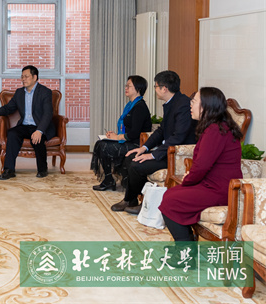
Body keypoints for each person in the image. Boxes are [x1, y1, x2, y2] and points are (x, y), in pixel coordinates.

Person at [159, 87, 243, 241]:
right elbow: (204, 163)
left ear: (206, 106)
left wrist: (188, 179)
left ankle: (186, 250)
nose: (190, 105)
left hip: (219, 189)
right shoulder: (216, 127)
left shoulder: (215, 130)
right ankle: (187, 243)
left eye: (194, 101)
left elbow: (202, 166)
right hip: (212, 185)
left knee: (170, 201)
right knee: (170, 195)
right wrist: (190, 177)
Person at [111, 70, 196, 213]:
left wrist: (152, 155)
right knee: (131, 157)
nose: (155, 90)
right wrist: (144, 148)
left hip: (176, 156)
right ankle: (131, 199)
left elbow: (178, 137)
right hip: (167, 151)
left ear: (164, 88)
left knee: (136, 165)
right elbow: (161, 131)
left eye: (156, 86)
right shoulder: (172, 102)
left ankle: (146, 203)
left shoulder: (182, 105)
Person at [0, 65, 55, 180]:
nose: (23, 79)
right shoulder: (19, 93)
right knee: (12, 134)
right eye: (22, 76)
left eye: (26, 76)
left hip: (39, 125)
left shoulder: (45, 92)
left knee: (37, 138)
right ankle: (9, 170)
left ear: (35, 77)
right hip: (24, 126)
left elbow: (47, 114)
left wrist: (39, 130)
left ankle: (42, 169)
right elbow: (8, 108)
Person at [91, 75, 152, 191]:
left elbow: (134, 133)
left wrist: (117, 137)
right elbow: (127, 129)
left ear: (138, 88)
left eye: (129, 86)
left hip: (136, 144)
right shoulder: (130, 105)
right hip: (128, 141)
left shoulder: (140, 107)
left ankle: (109, 181)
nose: (126, 88)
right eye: (126, 86)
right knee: (100, 143)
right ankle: (109, 180)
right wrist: (114, 135)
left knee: (103, 146)